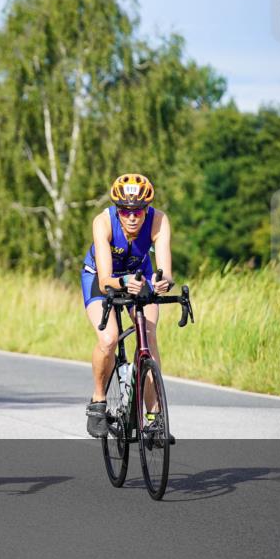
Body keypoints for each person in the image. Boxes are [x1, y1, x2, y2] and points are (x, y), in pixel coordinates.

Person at [82, 174, 173, 438]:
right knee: (109, 339)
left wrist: (163, 282)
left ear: (147, 209)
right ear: (117, 210)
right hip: (101, 278)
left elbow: (166, 272)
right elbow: (105, 280)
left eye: (138, 211)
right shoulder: (103, 222)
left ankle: (154, 418)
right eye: (125, 211)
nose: (132, 217)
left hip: (139, 276)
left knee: (149, 338)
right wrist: (124, 282)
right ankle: (98, 402)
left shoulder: (159, 220)